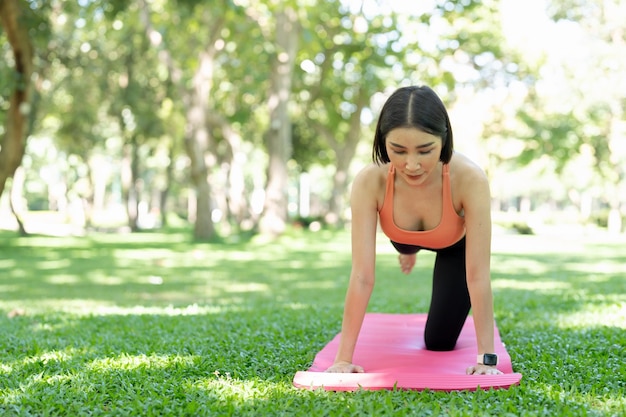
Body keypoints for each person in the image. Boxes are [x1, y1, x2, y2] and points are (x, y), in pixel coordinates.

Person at [325, 85, 503, 376]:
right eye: (398, 150)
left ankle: (414, 247)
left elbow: (478, 274)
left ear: (444, 139)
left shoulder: (469, 178)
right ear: (383, 143)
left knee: (439, 342)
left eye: (425, 150)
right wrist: (343, 359)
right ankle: (410, 249)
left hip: (454, 244)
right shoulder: (370, 181)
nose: (411, 164)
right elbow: (361, 275)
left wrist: (487, 359)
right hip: (402, 236)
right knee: (405, 243)